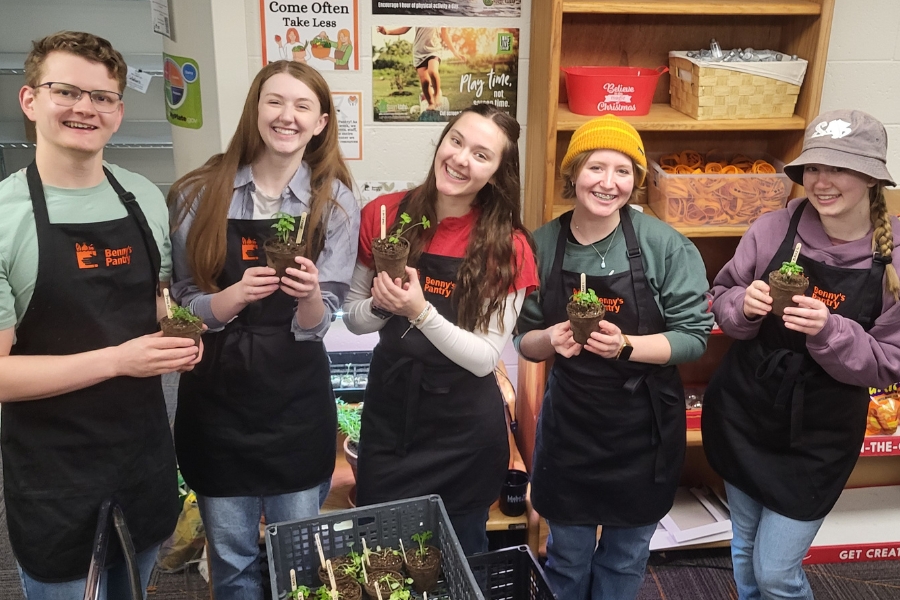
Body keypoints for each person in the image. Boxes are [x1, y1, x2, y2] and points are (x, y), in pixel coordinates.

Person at [0, 31, 200, 599]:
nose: (85, 108)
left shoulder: (142, 195)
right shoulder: (5, 218)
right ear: (31, 100)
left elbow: (159, 297)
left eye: (103, 97)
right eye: (67, 91)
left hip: (141, 456)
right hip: (53, 475)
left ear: (118, 112)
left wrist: (178, 336)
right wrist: (118, 360)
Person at [168, 61, 359, 599]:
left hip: (295, 403)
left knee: (297, 560)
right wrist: (227, 301)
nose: (287, 116)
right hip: (216, 399)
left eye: (302, 106)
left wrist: (308, 299)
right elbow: (182, 299)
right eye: (275, 101)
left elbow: (325, 318)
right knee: (230, 560)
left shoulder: (336, 201)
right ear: (256, 109)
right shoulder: (198, 192)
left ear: (321, 122)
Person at [702, 109, 900, 600]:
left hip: (819, 434)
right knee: (745, 550)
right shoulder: (773, 228)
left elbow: (889, 362)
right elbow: (720, 298)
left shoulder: (893, 253)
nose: (821, 182)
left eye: (840, 168)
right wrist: (742, 307)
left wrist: (830, 330)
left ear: (873, 177)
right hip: (746, 411)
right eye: (814, 167)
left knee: (775, 572)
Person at [515, 115, 714, 600]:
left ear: (636, 181)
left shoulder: (664, 245)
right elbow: (524, 339)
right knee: (567, 555)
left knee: (625, 560)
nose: (608, 183)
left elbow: (694, 336)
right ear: (573, 174)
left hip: (642, 428)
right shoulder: (541, 244)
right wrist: (551, 340)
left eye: (623, 171)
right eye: (595, 168)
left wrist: (627, 345)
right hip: (572, 427)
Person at [342, 103, 538, 555]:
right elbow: (352, 319)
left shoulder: (509, 246)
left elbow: (486, 358)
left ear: (497, 172)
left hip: (462, 432)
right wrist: (379, 304)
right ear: (441, 140)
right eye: (456, 141)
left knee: (456, 559)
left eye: (482, 155)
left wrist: (420, 311)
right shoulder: (384, 215)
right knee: (382, 560)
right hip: (391, 414)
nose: (461, 158)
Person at [376, 26, 465, 110]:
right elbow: (404, 29)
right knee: (425, 82)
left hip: (434, 49)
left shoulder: (438, 14)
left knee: (432, 71)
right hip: (419, 51)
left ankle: (437, 94)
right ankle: (431, 103)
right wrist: (387, 31)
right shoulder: (418, 13)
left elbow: (445, 33)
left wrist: (455, 52)